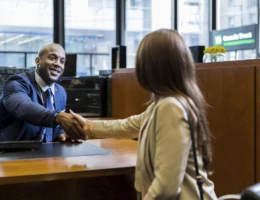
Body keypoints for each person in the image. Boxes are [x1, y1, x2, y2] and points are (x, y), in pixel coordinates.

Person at [70, 29, 217, 200]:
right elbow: (128, 125)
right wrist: (87, 125)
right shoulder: (165, 103)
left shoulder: (170, 107)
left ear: (151, 68)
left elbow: (166, 187)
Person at [0, 43, 86, 142]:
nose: (58, 64)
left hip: (44, 151)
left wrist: (61, 134)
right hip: (8, 151)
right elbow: (22, 107)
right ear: (38, 61)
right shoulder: (17, 83)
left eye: (62, 61)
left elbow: (57, 126)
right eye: (52, 58)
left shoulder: (61, 92)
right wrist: (56, 116)